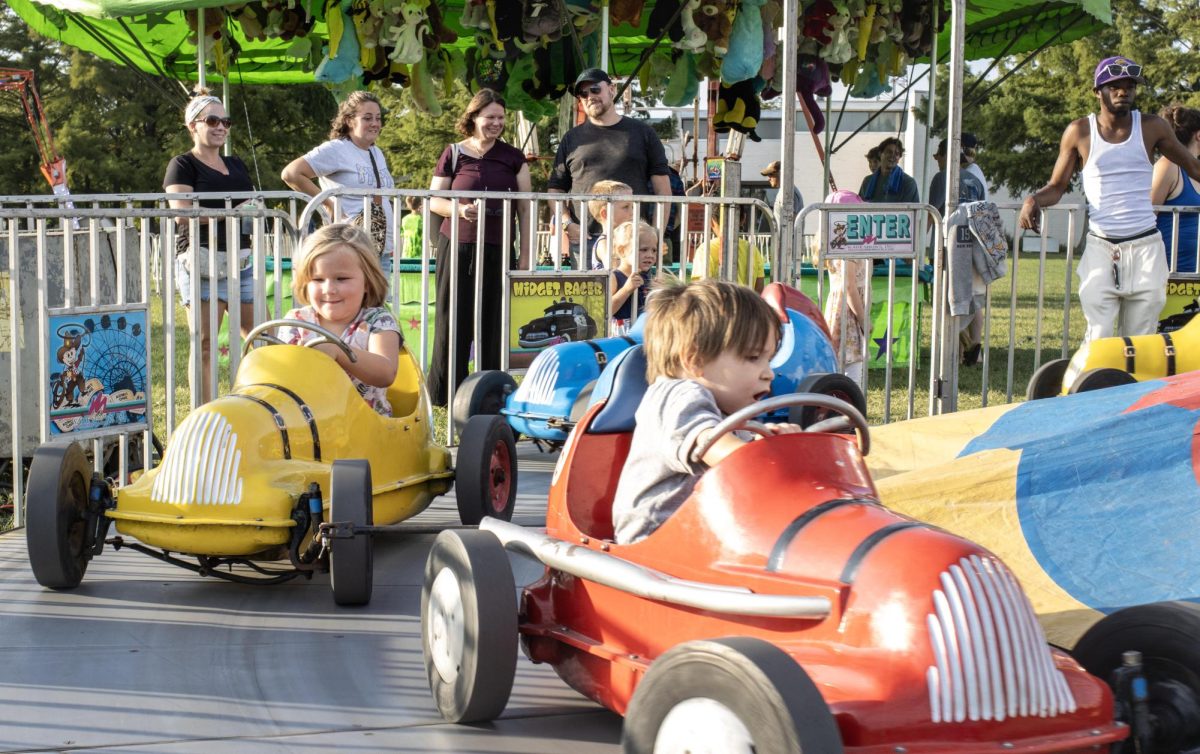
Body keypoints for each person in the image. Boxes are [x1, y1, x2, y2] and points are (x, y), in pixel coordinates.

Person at [1018, 56, 1200, 342]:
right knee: (1100, 335)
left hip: (1146, 247)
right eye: (1114, 86)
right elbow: (1057, 186)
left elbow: (1193, 167)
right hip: (1101, 247)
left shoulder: (1153, 127)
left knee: (1140, 339)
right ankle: (1095, 386)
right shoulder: (1079, 132)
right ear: (1097, 91)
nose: (1123, 91)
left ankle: (1136, 388)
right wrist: (1033, 200)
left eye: (1130, 86)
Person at [610, 279, 803, 544]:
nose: (768, 373)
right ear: (695, 360)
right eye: (752, 357)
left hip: (704, 537)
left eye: (768, 360)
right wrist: (768, 456)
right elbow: (714, 448)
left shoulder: (724, 409)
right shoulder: (677, 395)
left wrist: (768, 441)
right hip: (657, 544)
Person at [426, 88, 532, 407]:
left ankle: (488, 391)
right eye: (490, 117)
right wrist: (458, 210)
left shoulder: (514, 158)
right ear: (473, 118)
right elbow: (434, 199)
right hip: (455, 246)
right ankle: (445, 395)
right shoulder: (453, 153)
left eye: (501, 117)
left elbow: (526, 208)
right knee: (451, 317)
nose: (496, 123)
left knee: (493, 320)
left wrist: (525, 256)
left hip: (498, 248)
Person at [163, 91, 256, 403]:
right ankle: (203, 414)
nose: (221, 127)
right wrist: (232, 212)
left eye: (225, 121)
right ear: (193, 126)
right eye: (212, 120)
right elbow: (181, 213)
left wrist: (244, 212)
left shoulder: (237, 163)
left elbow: (252, 206)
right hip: (200, 261)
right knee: (205, 344)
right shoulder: (182, 164)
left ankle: (254, 405)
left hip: (241, 260)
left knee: (262, 338)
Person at [279, 224, 401, 416]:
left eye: (341, 279)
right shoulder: (296, 322)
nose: (329, 289)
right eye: (318, 280)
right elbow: (282, 376)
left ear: (367, 283)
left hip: (368, 430)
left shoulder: (377, 321)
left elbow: (386, 373)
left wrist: (337, 351)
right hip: (307, 427)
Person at [548, 67, 672, 255]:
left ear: (612, 89)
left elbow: (663, 190)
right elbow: (555, 189)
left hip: (634, 241)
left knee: (633, 285)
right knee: (586, 286)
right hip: (585, 240)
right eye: (583, 93)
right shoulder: (571, 138)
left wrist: (655, 234)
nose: (589, 96)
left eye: (595, 89)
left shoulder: (643, 133)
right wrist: (568, 224)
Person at [281, 91, 396, 263]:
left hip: (379, 251)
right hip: (350, 247)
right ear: (350, 121)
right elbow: (291, 174)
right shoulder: (336, 149)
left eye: (378, 118)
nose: (375, 123)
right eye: (367, 118)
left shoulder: (376, 152)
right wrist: (328, 203)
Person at [928, 138, 988, 364]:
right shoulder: (975, 180)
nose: (936, 159)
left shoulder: (941, 177)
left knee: (944, 302)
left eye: (938, 155)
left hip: (946, 248)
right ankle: (974, 345)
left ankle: (958, 349)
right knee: (972, 300)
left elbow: (930, 214)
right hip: (972, 248)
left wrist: (915, 248)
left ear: (946, 156)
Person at [820, 190, 870, 384]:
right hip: (848, 311)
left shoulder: (838, 241)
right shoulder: (846, 243)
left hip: (843, 309)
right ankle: (850, 407)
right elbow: (848, 285)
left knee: (842, 363)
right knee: (851, 367)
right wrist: (864, 319)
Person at [1151, 104, 1200, 274]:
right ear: (1199, 135)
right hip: (1169, 277)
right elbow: (1145, 218)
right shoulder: (1168, 166)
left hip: (1195, 277)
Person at [692, 208, 766, 292]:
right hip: (746, 303)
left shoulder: (705, 249)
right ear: (743, 219)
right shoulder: (752, 249)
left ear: (711, 221)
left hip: (717, 303)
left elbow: (700, 288)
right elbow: (759, 289)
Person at [609, 220, 660, 330]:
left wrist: (659, 293)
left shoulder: (648, 278)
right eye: (644, 250)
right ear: (622, 251)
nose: (650, 255)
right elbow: (606, 311)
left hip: (644, 331)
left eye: (654, 250)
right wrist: (626, 290)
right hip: (621, 334)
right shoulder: (614, 277)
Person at [586, 180, 636, 269]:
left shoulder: (628, 240)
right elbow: (615, 271)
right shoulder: (604, 243)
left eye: (632, 207)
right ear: (605, 213)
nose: (632, 212)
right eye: (626, 207)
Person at [858, 137, 919, 203]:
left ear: (899, 158)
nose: (893, 156)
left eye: (897, 154)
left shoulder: (908, 183)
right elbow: (860, 207)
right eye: (889, 152)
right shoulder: (867, 181)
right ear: (880, 154)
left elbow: (911, 211)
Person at [761, 160, 804, 228]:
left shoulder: (789, 191)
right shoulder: (784, 190)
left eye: (771, 174)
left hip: (789, 237)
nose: (768, 179)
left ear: (781, 173)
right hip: (784, 237)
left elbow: (791, 220)